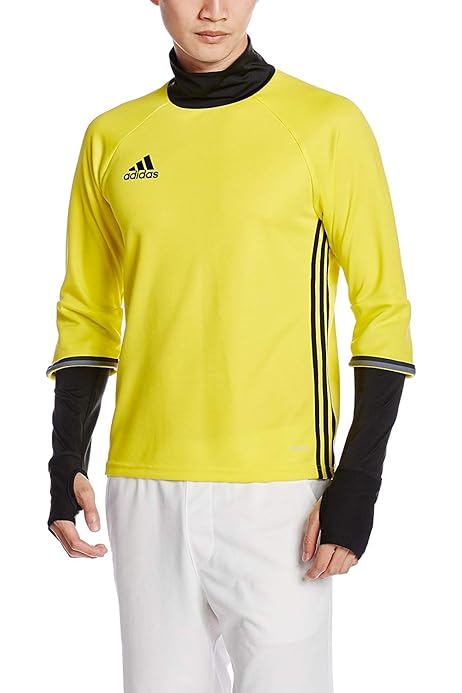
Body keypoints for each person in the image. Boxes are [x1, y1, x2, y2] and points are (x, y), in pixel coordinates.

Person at [45, 2, 415, 692]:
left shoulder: (326, 125)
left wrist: (359, 481)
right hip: (145, 486)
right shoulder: (112, 138)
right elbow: (87, 314)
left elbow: (384, 313)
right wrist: (66, 459)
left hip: (282, 494)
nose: (213, 10)